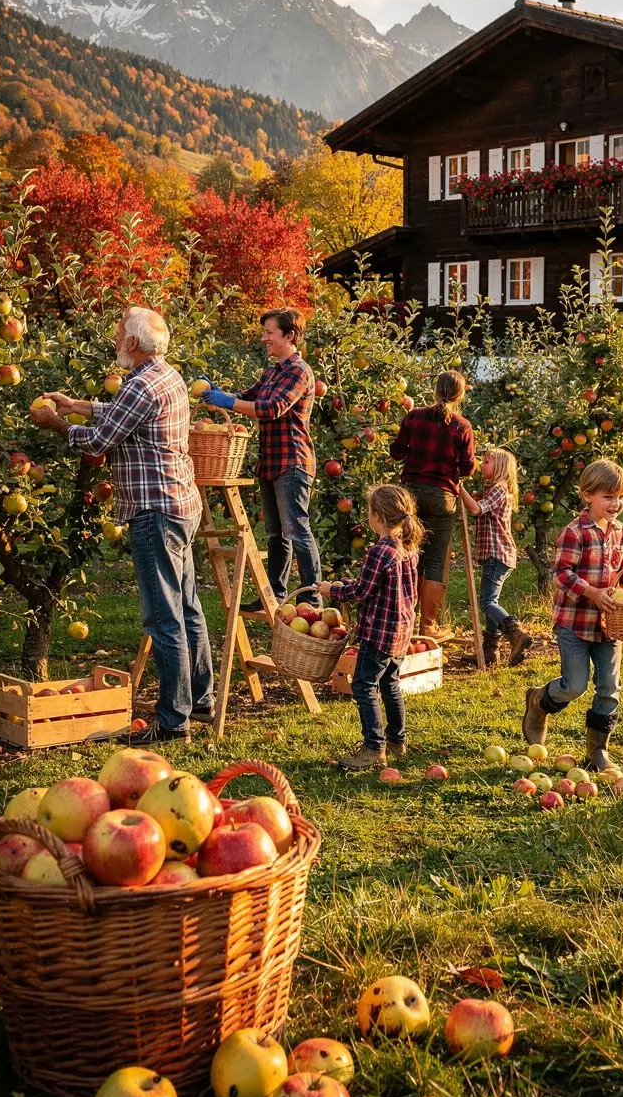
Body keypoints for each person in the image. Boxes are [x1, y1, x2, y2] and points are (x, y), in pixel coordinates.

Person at [29, 306, 213, 743]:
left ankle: (173, 722)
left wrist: (58, 423)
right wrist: (79, 405)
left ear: (132, 343)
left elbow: (98, 441)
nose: (114, 341)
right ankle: (199, 699)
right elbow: (120, 413)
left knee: (163, 619)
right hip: (181, 504)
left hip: (154, 512)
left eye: (117, 335)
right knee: (187, 608)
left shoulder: (141, 384)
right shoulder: (167, 377)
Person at [522, 459, 623, 774]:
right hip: (575, 623)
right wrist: (592, 592)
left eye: (620, 497)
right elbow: (562, 574)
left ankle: (597, 752)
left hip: (611, 625)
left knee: (609, 687)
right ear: (587, 495)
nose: (616, 504)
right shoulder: (575, 533)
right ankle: (539, 701)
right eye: (608, 497)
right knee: (574, 685)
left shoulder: (622, 532)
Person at [200, 308, 321, 612]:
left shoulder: (299, 371)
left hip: (293, 461)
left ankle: (312, 597)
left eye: (270, 333)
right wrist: (218, 392)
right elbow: (248, 396)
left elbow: (271, 408)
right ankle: (275, 596)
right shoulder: (273, 371)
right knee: (276, 533)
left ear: (289, 335)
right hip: (270, 460)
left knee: (297, 529)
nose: (264, 338)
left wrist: (230, 402)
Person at [318, 484, 422, 771]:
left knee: (364, 685)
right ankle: (397, 742)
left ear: (376, 515)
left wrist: (333, 590)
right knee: (390, 683)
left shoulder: (380, 551)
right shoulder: (408, 548)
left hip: (379, 633)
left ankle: (373, 747)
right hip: (401, 631)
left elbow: (362, 591)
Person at [389, 371, 475, 639]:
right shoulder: (462, 427)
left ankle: (401, 618)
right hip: (443, 496)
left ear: (435, 391)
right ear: (460, 396)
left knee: (406, 554)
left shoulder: (414, 417)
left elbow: (396, 452)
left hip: (410, 495)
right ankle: (427, 626)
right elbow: (467, 468)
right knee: (434, 560)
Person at [460, 446, 532, 668]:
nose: (482, 464)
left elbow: (476, 510)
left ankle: (516, 632)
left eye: (487, 461)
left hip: (497, 552)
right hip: (497, 553)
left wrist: (458, 487)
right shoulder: (494, 489)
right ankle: (490, 652)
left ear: (499, 467)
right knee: (492, 601)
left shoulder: (500, 489)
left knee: (487, 602)